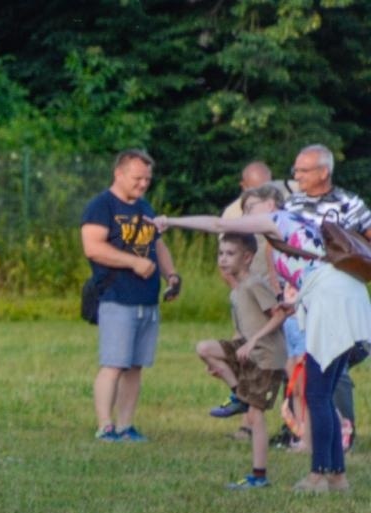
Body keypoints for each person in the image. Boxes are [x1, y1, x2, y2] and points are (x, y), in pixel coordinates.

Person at [158, 183, 371, 491]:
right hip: (345, 296)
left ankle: (318, 475)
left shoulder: (278, 219)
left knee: (317, 395)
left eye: (251, 208)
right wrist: (294, 304)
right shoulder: (295, 226)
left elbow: (218, 224)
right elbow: (314, 269)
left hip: (331, 302)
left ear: (271, 205)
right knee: (323, 393)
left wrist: (170, 221)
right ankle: (337, 476)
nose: (245, 215)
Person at [80, 149, 180, 442]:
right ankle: (105, 425)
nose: (143, 184)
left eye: (147, 179)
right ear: (119, 174)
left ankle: (126, 425)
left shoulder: (145, 207)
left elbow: (157, 245)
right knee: (114, 364)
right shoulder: (101, 206)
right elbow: (93, 248)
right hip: (116, 297)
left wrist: (171, 275)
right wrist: (133, 262)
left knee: (135, 366)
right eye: (137, 178)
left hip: (146, 299)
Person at [284, 145, 371, 437]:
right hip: (301, 296)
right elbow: (278, 244)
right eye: (296, 170)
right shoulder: (292, 205)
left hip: (337, 296)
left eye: (303, 170)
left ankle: (344, 430)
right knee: (301, 360)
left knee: (335, 360)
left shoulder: (349, 203)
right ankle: (300, 429)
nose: (297, 175)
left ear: (324, 172)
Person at [193, 231, 289, 488]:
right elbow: (240, 332)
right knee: (204, 349)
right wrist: (222, 362)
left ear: (247, 258)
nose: (223, 259)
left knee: (255, 417)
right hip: (248, 352)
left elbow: (279, 315)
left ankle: (259, 476)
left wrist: (254, 340)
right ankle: (238, 395)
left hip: (267, 358)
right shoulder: (236, 292)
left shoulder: (255, 284)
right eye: (220, 253)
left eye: (230, 254)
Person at [209, 160, 281, 419]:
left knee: (273, 363)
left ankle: (287, 423)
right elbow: (226, 257)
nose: (260, 193)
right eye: (253, 188)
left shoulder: (279, 216)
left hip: (273, 298)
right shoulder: (233, 213)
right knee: (246, 360)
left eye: (265, 186)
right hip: (250, 296)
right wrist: (241, 294)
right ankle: (245, 419)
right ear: (243, 186)